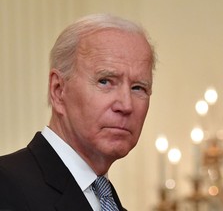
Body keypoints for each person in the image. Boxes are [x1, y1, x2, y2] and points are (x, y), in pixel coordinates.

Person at [0, 13, 156, 211]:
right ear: (58, 90)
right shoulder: (6, 186)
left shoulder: (110, 204)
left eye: (138, 88)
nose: (126, 105)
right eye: (105, 81)